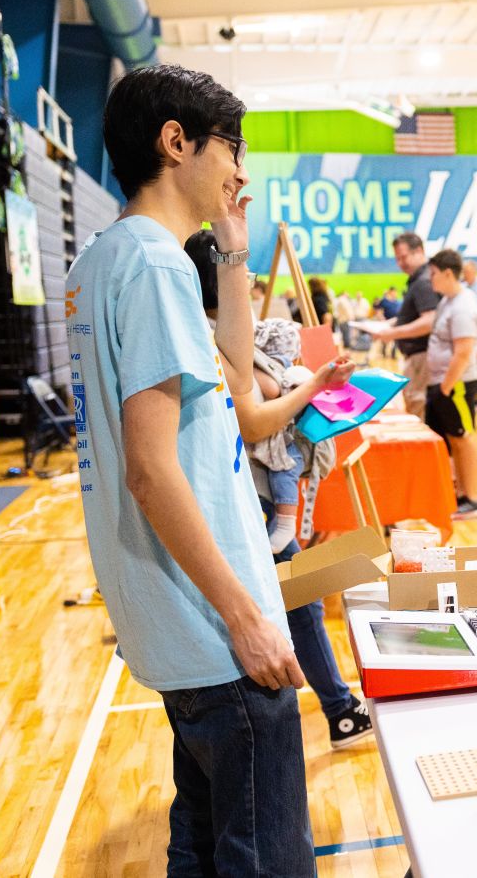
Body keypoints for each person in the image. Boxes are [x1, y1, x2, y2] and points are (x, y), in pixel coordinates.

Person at [65, 64, 313, 872]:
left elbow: (236, 383)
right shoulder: (157, 267)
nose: (243, 171)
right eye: (233, 148)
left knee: (203, 844)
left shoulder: (105, 262)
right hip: (216, 629)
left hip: (174, 623)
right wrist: (245, 615)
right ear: (177, 142)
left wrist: (234, 251)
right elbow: (149, 468)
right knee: (265, 858)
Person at [187, 230, 374, 751]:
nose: (248, 277)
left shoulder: (229, 337)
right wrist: (311, 387)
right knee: (298, 603)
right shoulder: (209, 341)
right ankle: (336, 710)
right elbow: (251, 424)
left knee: (302, 602)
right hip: (255, 497)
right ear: (216, 279)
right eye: (236, 266)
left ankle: (337, 709)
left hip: (261, 491)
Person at [425, 249, 477, 519]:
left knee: (463, 439)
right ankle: (462, 493)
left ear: (448, 273)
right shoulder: (448, 301)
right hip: (443, 382)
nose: (431, 279)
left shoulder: (463, 305)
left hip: (456, 384)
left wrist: (446, 388)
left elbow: (463, 352)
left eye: (434, 274)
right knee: (454, 439)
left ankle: (472, 497)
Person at [368, 232, 439, 418]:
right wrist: (390, 326)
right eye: (397, 259)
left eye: (404, 257)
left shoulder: (423, 282)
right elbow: (412, 317)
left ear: (419, 251)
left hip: (422, 357)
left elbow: (429, 320)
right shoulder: (418, 279)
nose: (400, 263)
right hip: (418, 357)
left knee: (419, 410)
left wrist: (393, 333)